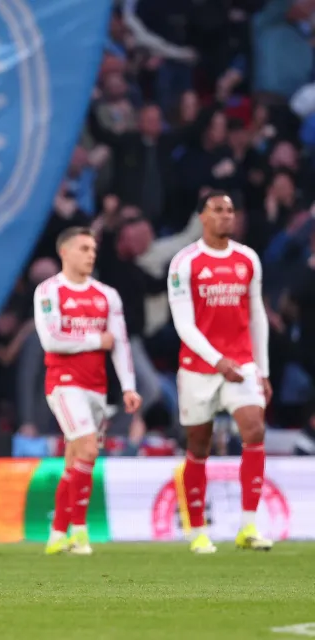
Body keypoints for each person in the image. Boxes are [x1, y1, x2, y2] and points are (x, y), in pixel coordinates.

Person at [167, 190, 272, 554]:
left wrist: (263, 369)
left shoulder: (248, 259)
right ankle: (196, 529)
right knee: (198, 443)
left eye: (230, 210)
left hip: (241, 364)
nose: (227, 216)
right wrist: (216, 361)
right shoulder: (184, 262)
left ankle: (249, 526)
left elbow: (257, 315)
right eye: (218, 210)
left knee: (254, 428)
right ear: (202, 217)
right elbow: (184, 324)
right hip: (199, 368)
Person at [33, 226, 140, 556]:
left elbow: (120, 342)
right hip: (64, 385)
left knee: (78, 460)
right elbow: (51, 340)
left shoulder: (107, 295)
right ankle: (79, 530)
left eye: (93, 248)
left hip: (97, 387)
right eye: (83, 248)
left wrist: (129, 386)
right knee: (89, 449)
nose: (91, 254)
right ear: (64, 252)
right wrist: (96, 340)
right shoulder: (49, 291)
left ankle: (56, 534)